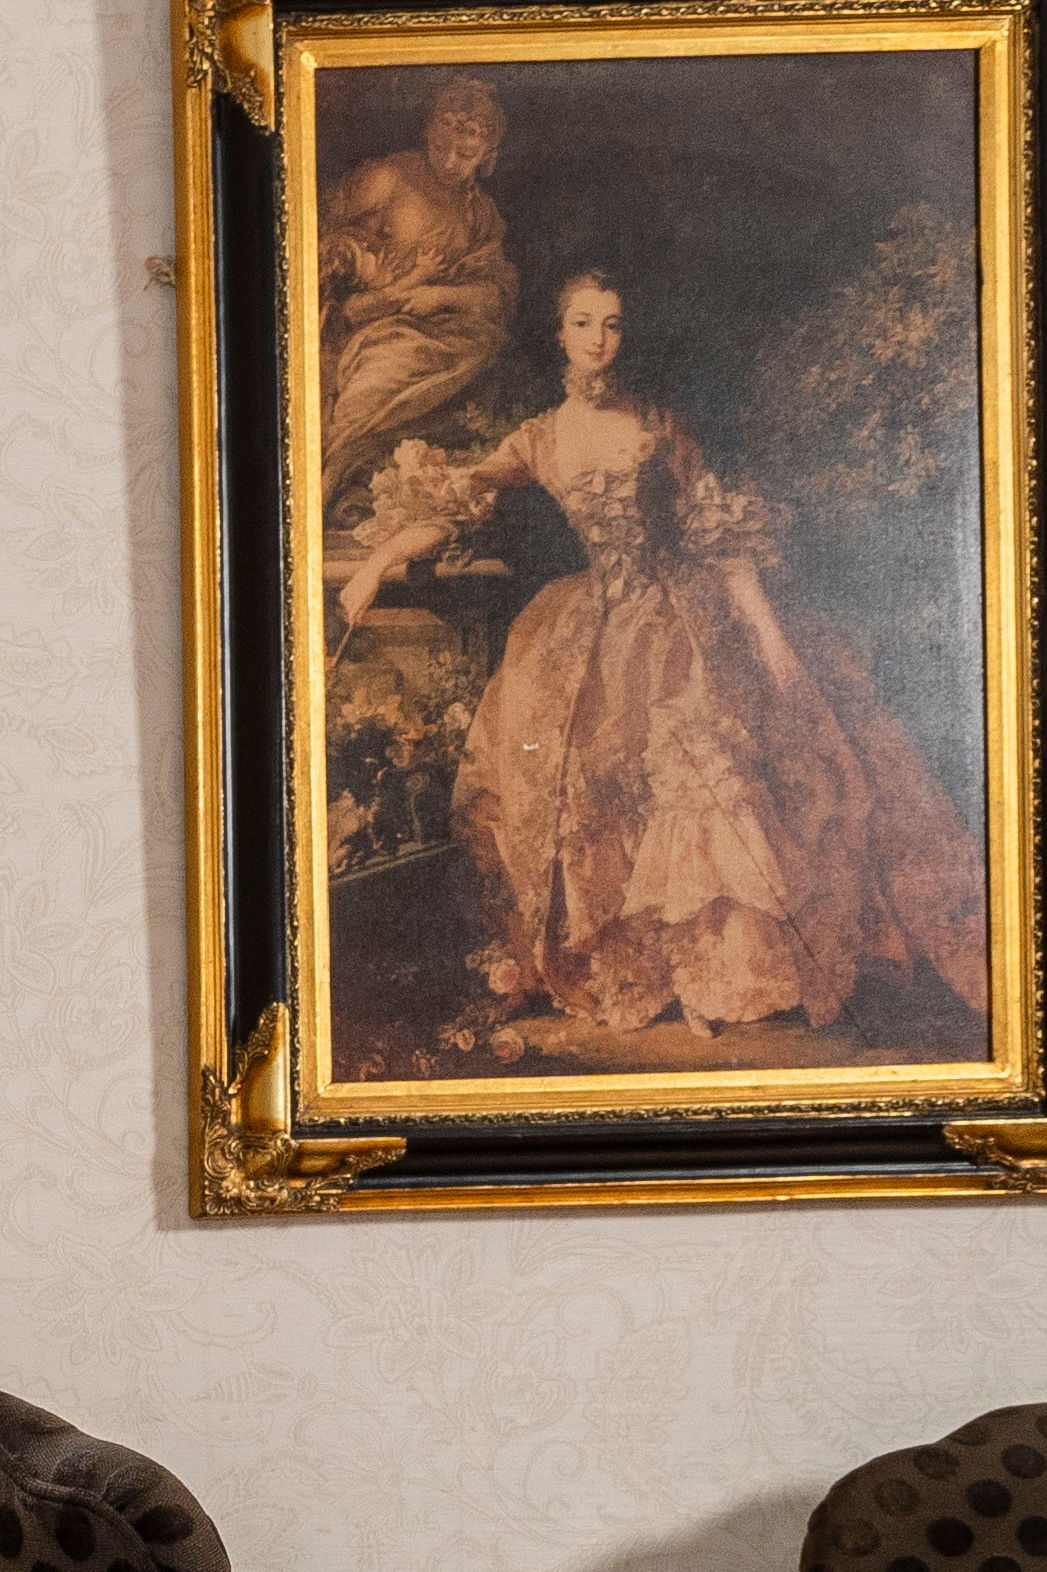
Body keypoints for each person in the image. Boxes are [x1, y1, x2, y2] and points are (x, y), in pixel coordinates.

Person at [330, 268, 989, 1045]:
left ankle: (717, 972)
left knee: (704, 780)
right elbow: (452, 506)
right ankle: (626, 967)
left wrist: (770, 640)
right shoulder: (537, 439)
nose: (599, 341)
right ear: (560, 334)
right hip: (589, 624)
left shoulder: (661, 427)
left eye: (612, 324)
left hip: (678, 619)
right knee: (587, 785)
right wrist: (373, 567)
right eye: (583, 323)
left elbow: (719, 536)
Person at [319, 78, 516, 510]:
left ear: (486, 157)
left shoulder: (478, 214)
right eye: (441, 146)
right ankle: (328, 485)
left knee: (482, 357)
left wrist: (440, 298)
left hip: (445, 330)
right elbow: (315, 236)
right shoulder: (388, 178)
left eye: (465, 155)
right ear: (428, 132)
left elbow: (497, 294)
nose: (449, 161)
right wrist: (357, 265)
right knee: (379, 375)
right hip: (366, 323)